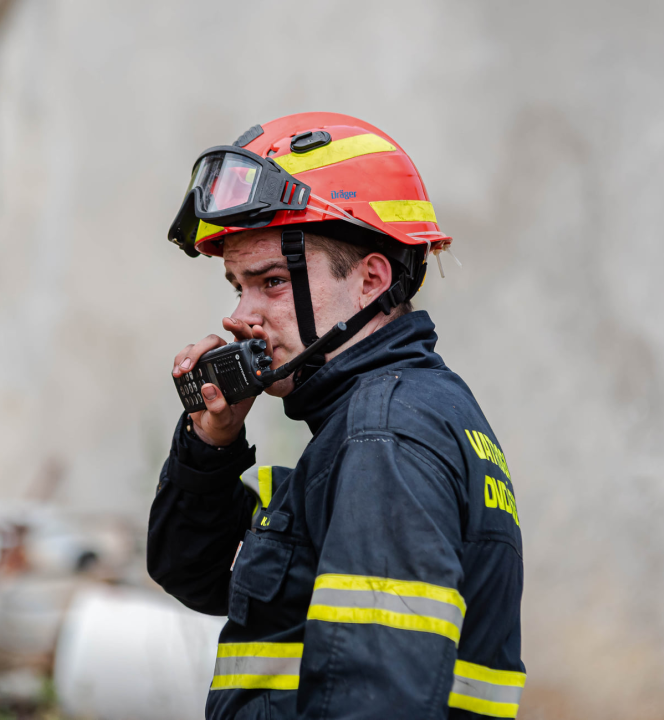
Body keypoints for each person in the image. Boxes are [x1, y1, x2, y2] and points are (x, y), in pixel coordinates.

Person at [148, 112, 525, 719]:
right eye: (237, 286)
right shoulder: (388, 419)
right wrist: (212, 440)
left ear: (371, 280)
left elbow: (376, 699)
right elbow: (197, 574)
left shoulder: (385, 436)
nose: (240, 317)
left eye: (272, 281)